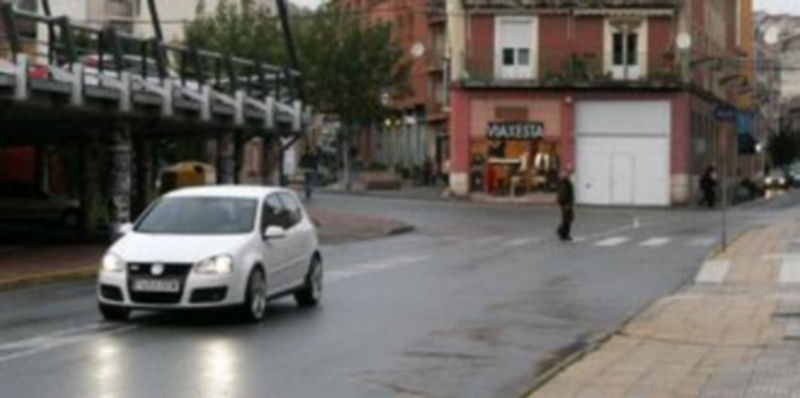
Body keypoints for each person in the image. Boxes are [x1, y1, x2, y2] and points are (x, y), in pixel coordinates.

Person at [556, 168, 575, 242]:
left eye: (569, 174)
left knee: (568, 218)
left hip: (567, 203)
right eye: (567, 174)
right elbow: (563, 195)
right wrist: (566, 204)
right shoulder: (564, 183)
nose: (569, 175)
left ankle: (564, 234)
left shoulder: (566, 182)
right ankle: (561, 232)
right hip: (566, 204)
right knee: (567, 219)